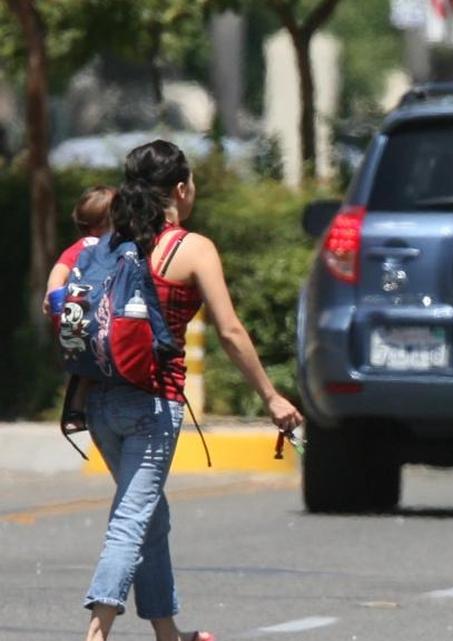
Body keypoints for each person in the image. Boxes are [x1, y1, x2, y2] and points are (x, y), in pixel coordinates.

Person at [83, 140, 303, 641]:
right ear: (181, 189)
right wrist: (272, 397)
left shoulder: (109, 242)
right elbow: (230, 332)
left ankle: (168, 633)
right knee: (131, 519)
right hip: (151, 404)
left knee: (149, 513)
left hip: (99, 401)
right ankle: (96, 634)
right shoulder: (192, 248)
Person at [43, 186, 117, 434]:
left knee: (81, 366)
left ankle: (75, 412)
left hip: (72, 314)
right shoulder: (108, 246)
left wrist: (53, 296)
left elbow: (58, 271)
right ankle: (75, 410)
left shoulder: (78, 246)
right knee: (91, 363)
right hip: (94, 316)